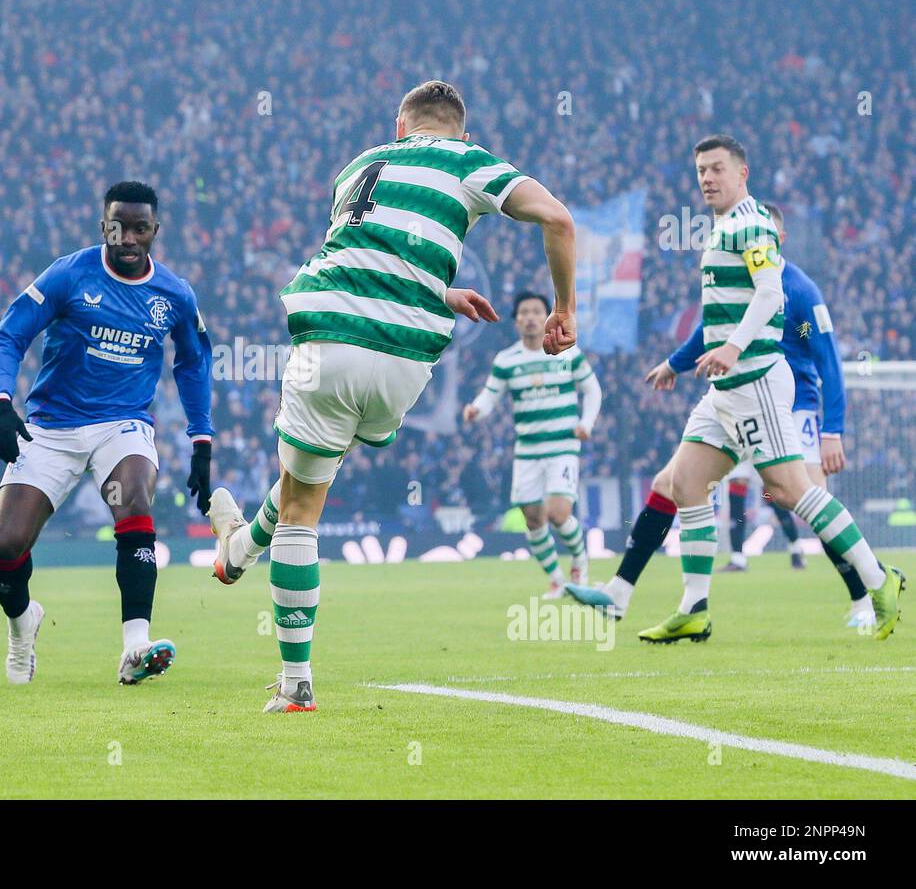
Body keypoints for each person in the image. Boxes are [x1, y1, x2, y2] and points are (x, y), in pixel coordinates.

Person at [207, 80, 578, 712]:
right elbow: (559, 219)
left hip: (325, 338)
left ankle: (295, 684)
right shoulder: (469, 159)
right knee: (309, 483)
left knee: (301, 508)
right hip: (404, 359)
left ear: (400, 128)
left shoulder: (355, 169)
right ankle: (236, 550)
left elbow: (367, 260)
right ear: (458, 131)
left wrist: (438, 290)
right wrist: (564, 309)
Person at [566, 135, 902, 642]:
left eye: (717, 168)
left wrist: (736, 349)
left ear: (742, 174)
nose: (707, 178)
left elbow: (770, 293)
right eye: (701, 169)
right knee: (681, 484)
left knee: (793, 491)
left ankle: (879, 581)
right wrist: (679, 362)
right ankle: (682, 605)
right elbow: (716, 318)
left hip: (756, 382)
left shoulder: (751, 225)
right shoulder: (722, 228)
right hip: (724, 392)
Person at [0, 181, 214, 686]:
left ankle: (136, 646)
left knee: (134, 500)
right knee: (5, 547)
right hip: (51, 427)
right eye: (118, 226)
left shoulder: (174, 294)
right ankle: (23, 625)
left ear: (155, 231)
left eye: (139, 228)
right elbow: (11, 335)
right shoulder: (70, 275)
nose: (127, 238)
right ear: (102, 225)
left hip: (123, 423)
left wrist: (202, 440)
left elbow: (194, 363)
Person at [462, 291, 601, 597]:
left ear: (547, 316)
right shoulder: (507, 360)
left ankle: (580, 562)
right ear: (516, 321)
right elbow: (490, 396)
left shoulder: (567, 353)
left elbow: (592, 390)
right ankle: (556, 579)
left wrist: (586, 423)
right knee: (534, 520)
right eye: (523, 312)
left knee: (558, 513)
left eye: (537, 311)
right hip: (527, 452)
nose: (530, 317)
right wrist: (475, 409)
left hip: (562, 447)